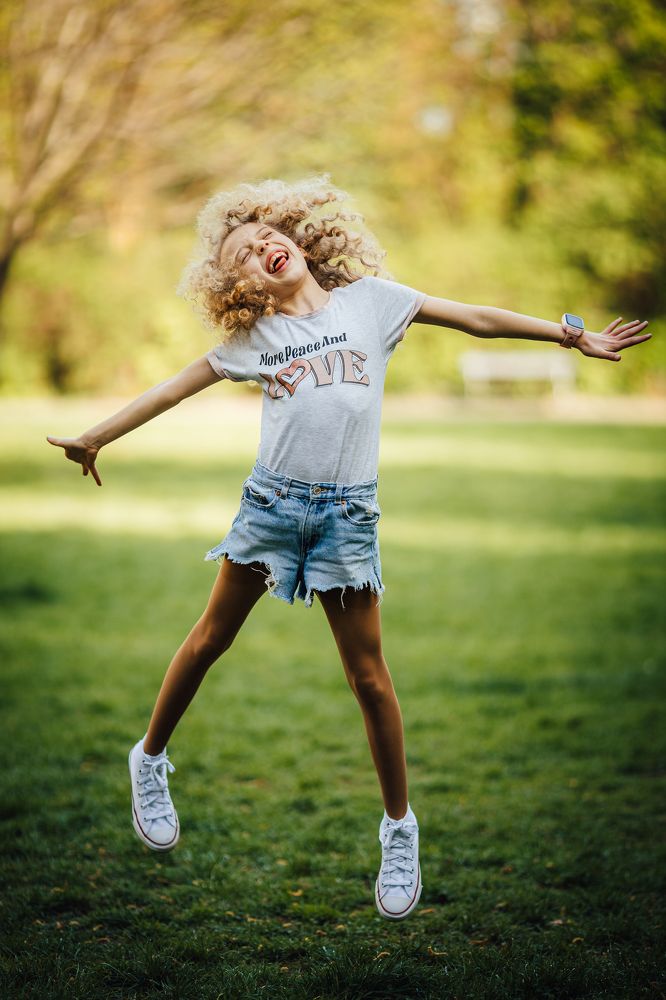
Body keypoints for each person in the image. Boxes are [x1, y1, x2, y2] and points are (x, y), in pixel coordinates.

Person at [47, 175, 651, 921]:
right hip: (272, 508)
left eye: (268, 235)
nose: (262, 246)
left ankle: (399, 830)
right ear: (239, 288)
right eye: (241, 253)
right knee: (209, 640)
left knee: (369, 678)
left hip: (346, 519)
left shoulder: (372, 302)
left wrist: (569, 333)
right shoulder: (254, 340)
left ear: (299, 243)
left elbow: (476, 318)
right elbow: (172, 390)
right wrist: (96, 435)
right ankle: (149, 758)